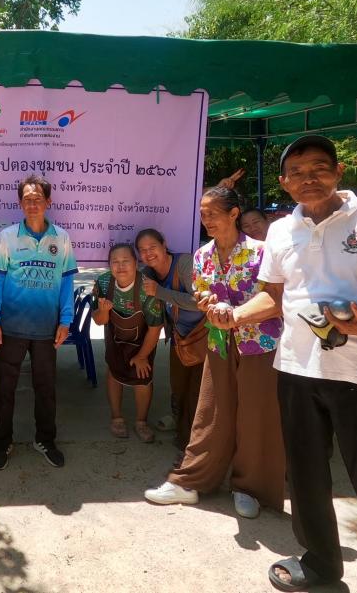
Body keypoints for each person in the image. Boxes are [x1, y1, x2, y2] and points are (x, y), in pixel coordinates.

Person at [221, 136, 357, 593]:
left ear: (339, 171)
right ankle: (321, 562)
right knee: (304, 480)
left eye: (319, 168)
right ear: (284, 183)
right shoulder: (282, 230)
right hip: (298, 372)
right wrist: (232, 315)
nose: (309, 179)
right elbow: (273, 296)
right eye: (298, 173)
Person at [144, 186, 285, 520]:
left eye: (212, 212)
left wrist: (235, 315)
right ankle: (190, 481)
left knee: (254, 416)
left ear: (234, 213)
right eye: (202, 213)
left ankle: (249, 487)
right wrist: (210, 306)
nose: (205, 219)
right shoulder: (202, 255)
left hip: (259, 344)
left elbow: (275, 300)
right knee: (210, 413)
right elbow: (201, 296)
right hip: (218, 343)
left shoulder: (261, 252)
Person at [0, 175, 78, 470]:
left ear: (48, 202)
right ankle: (3, 441)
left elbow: (67, 281)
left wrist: (66, 320)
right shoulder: (7, 237)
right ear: (20, 203)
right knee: (4, 388)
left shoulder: (61, 238)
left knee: (45, 387)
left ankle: (45, 440)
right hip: (11, 328)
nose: (32, 203)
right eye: (27, 199)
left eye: (38, 198)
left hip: (45, 330)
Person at [137, 228, 206, 455]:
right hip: (179, 338)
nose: (148, 254)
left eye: (152, 248)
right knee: (178, 387)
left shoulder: (184, 263)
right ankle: (181, 429)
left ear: (164, 244)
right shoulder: (148, 272)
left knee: (197, 391)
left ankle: (192, 444)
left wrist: (160, 292)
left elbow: (199, 303)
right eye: (143, 250)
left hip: (202, 335)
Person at [92, 243, 164, 443]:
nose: (120, 266)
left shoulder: (148, 287)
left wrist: (142, 356)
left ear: (136, 263)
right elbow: (99, 321)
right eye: (115, 262)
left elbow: (155, 328)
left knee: (143, 379)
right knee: (115, 374)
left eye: (126, 261)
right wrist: (104, 311)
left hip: (144, 340)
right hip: (115, 339)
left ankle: (141, 422)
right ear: (109, 265)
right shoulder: (103, 283)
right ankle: (117, 418)